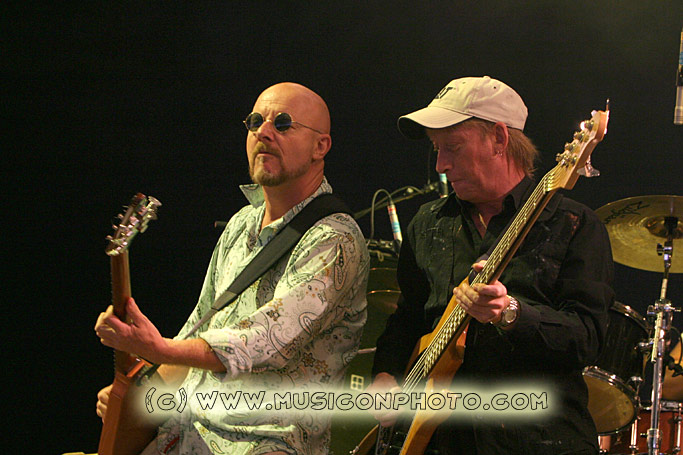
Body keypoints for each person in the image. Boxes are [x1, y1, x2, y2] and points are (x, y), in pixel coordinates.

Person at [95, 82, 369, 455]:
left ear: (320, 146)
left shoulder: (335, 239)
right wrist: (136, 395)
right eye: (255, 122)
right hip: (187, 432)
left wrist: (160, 348)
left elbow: (264, 341)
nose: (264, 132)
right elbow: (200, 330)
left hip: (266, 443)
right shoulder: (241, 224)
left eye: (282, 123)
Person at [369, 76, 614, 454]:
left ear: (499, 138)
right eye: (437, 149)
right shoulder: (428, 223)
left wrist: (511, 313)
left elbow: (589, 340)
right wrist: (385, 375)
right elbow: (407, 320)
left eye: (453, 147)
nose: (441, 165)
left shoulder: (575, 225)